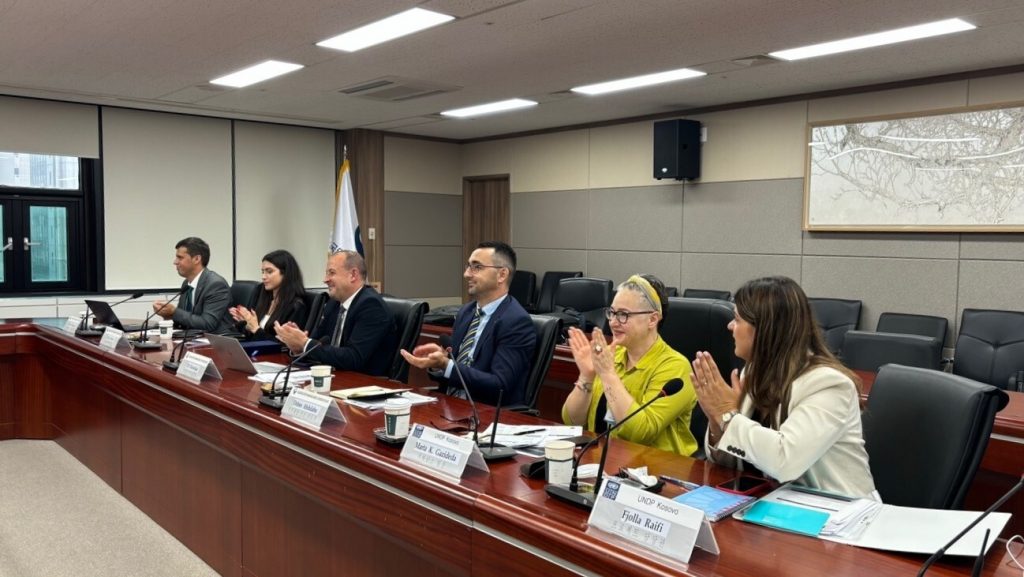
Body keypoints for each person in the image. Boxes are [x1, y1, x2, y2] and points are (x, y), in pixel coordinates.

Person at [692, 276, 877, 498]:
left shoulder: (829, 385)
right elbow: (739, 456)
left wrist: (728, 415)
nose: (730, 326)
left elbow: (784, 461)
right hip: (775, 503)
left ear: (765, 330)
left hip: (838, 509)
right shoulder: (752, 371)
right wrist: (717, 423)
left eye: (737, 319)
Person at [561, 274, 698, 456]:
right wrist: (587, 375)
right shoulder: (612, 355)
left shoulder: (675, 367)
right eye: (612, 313)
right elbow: (572, 421)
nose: (613, 322)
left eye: (623, 315)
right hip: (601, 461)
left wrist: (608, 374)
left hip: (655, 468)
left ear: (652, 319)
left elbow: (640, 433)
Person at [401, 241, 535, 407]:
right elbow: (455, 371)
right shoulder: (466, 312)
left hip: (485, 413)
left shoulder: (516, 322)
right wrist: (440, 363)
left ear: (502, 275)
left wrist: (447, 365)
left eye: (477, 267)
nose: (466, 274)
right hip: (450, 405)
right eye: (468, 266)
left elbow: (499, 385)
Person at [274, 250, 396, 376]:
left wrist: (305, 343)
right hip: (334, 377)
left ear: (353, 275)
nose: (325, 280)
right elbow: (318, 344)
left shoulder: (371, 306)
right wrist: (298, 346)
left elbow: (353, 358)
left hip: (364, 381)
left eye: (331, 273)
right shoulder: (334, 303)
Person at [152, 237, 233, 334]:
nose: (175, 262)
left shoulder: (216, 285)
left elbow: (208, 324)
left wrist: (174, 312)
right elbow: (184, 320)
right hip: (193, 337)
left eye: (180, 257)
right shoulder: (187, 283)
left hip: (216, 339)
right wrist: (167, 315)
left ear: (197, 259)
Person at [228, 249, 308, 340]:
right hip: (253, 348)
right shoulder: (261, 295)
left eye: (269, 272)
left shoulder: (295, 306)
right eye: (262, 272)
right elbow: (250, 336)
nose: (263, 277)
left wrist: (255, 329)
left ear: (286, 273)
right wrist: (244, 323)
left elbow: (283, 344)